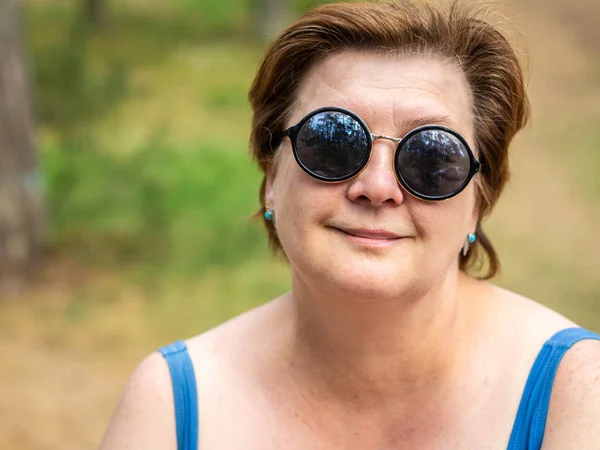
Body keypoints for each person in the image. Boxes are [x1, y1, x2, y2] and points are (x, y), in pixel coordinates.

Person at [99, 1, 600, 449]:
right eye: (332, 143)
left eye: (431, 156)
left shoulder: (578, 393)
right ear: (272, 176)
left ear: (476, 203)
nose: (377, 186)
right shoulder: (170, 403)